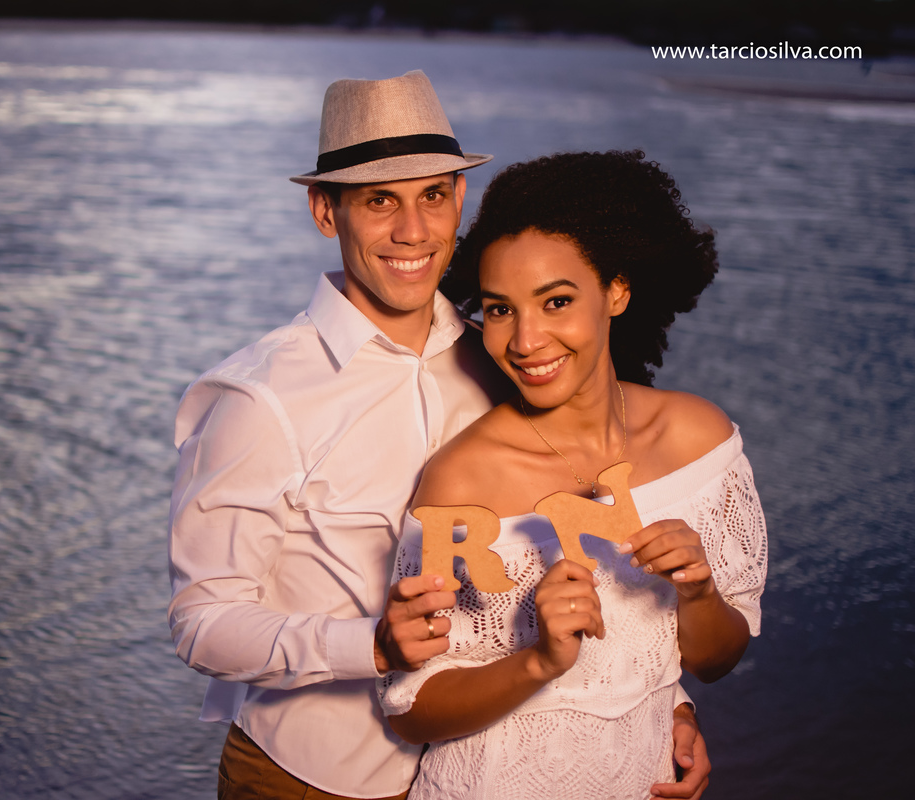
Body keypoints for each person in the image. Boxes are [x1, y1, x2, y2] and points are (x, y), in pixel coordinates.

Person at [168, 71, 712, 800]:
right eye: (379, 200)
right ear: (325, 211)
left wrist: (668, 706)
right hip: (310, 781)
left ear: (460, 200)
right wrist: (369, 645)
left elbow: (588, 557)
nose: (413, 231)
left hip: (479, 770)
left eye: (432, 195)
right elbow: (200, 622)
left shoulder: (510, 355)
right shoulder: (260, 398)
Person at [379, 150, 768, 800]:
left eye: (555, 301)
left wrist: (699, 594)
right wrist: (538, 660)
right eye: (500, 309)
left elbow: (715, 660)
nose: (526, 340)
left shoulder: (702, 442)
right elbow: (411, 706)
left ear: (616, 291)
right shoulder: (461, 480)